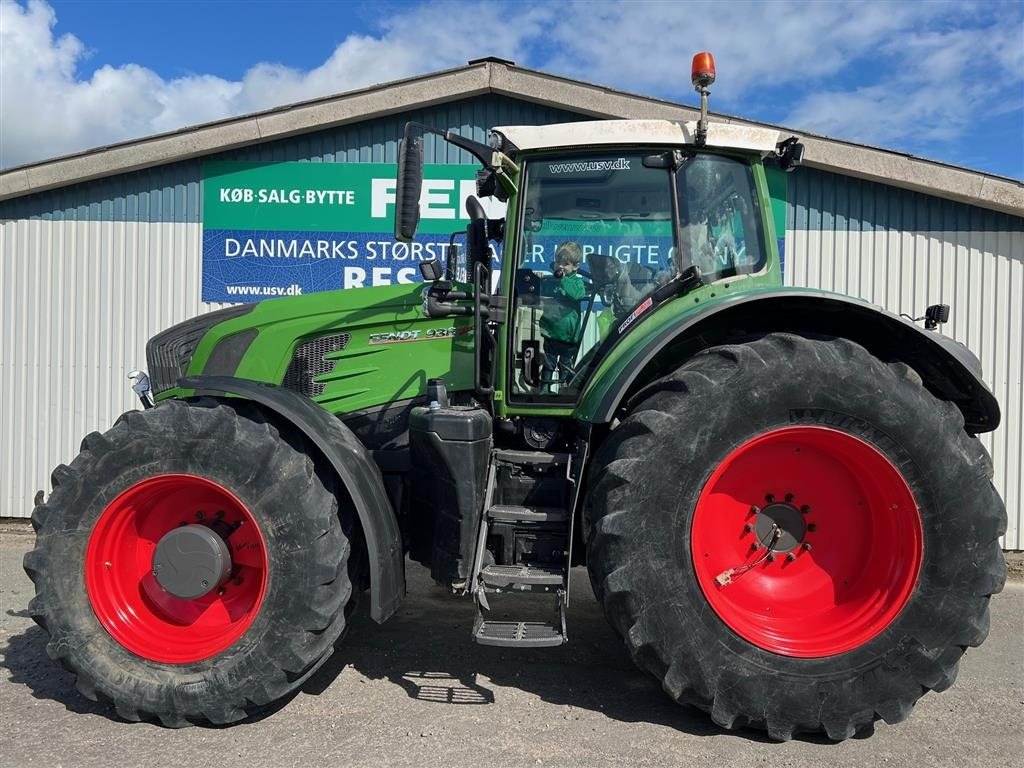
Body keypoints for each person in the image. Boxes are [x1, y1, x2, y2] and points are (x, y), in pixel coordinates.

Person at [539, 241, 586, 393]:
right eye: (559, 262)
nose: (561, 266)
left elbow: (577, 294)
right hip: (551, 331)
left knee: (565, 365)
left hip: (568, 335)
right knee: (548, 363)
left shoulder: (576, 282)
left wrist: (563, 279)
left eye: (565, 264)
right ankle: (544, 388)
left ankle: (564, 390)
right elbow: (542, 292)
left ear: (575, 266)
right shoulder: (553, 280)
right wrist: (541, 279)